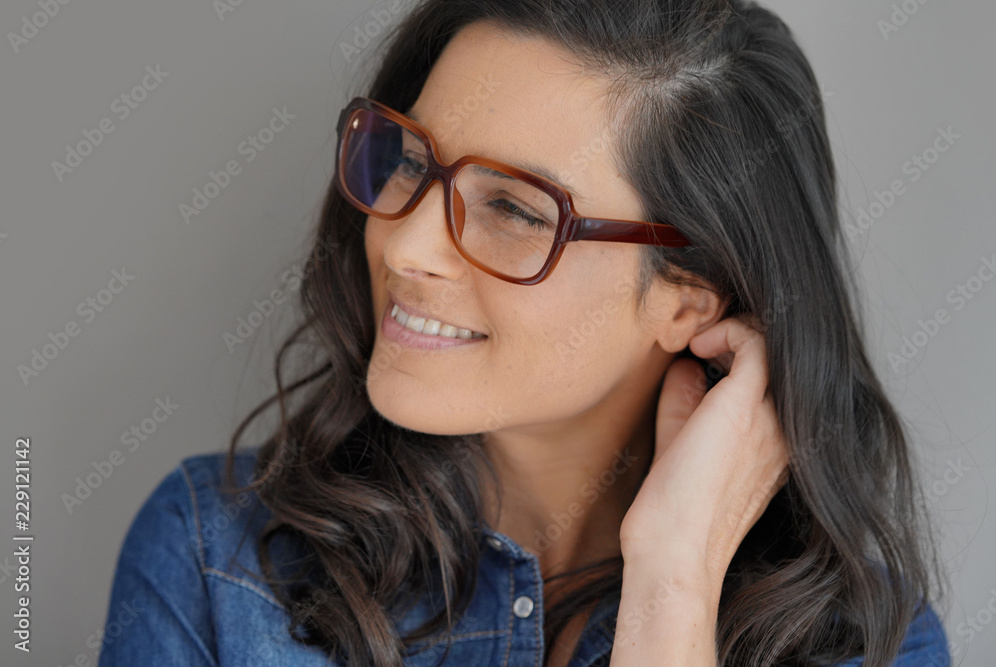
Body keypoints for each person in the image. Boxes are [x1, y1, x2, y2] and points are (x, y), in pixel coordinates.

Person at [99, 1, 952, 665]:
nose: (405, 243)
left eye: (511, 207)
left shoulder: (865, 642)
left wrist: (674, 587)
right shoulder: (216, 558)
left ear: (691, 296)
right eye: (410, 162)